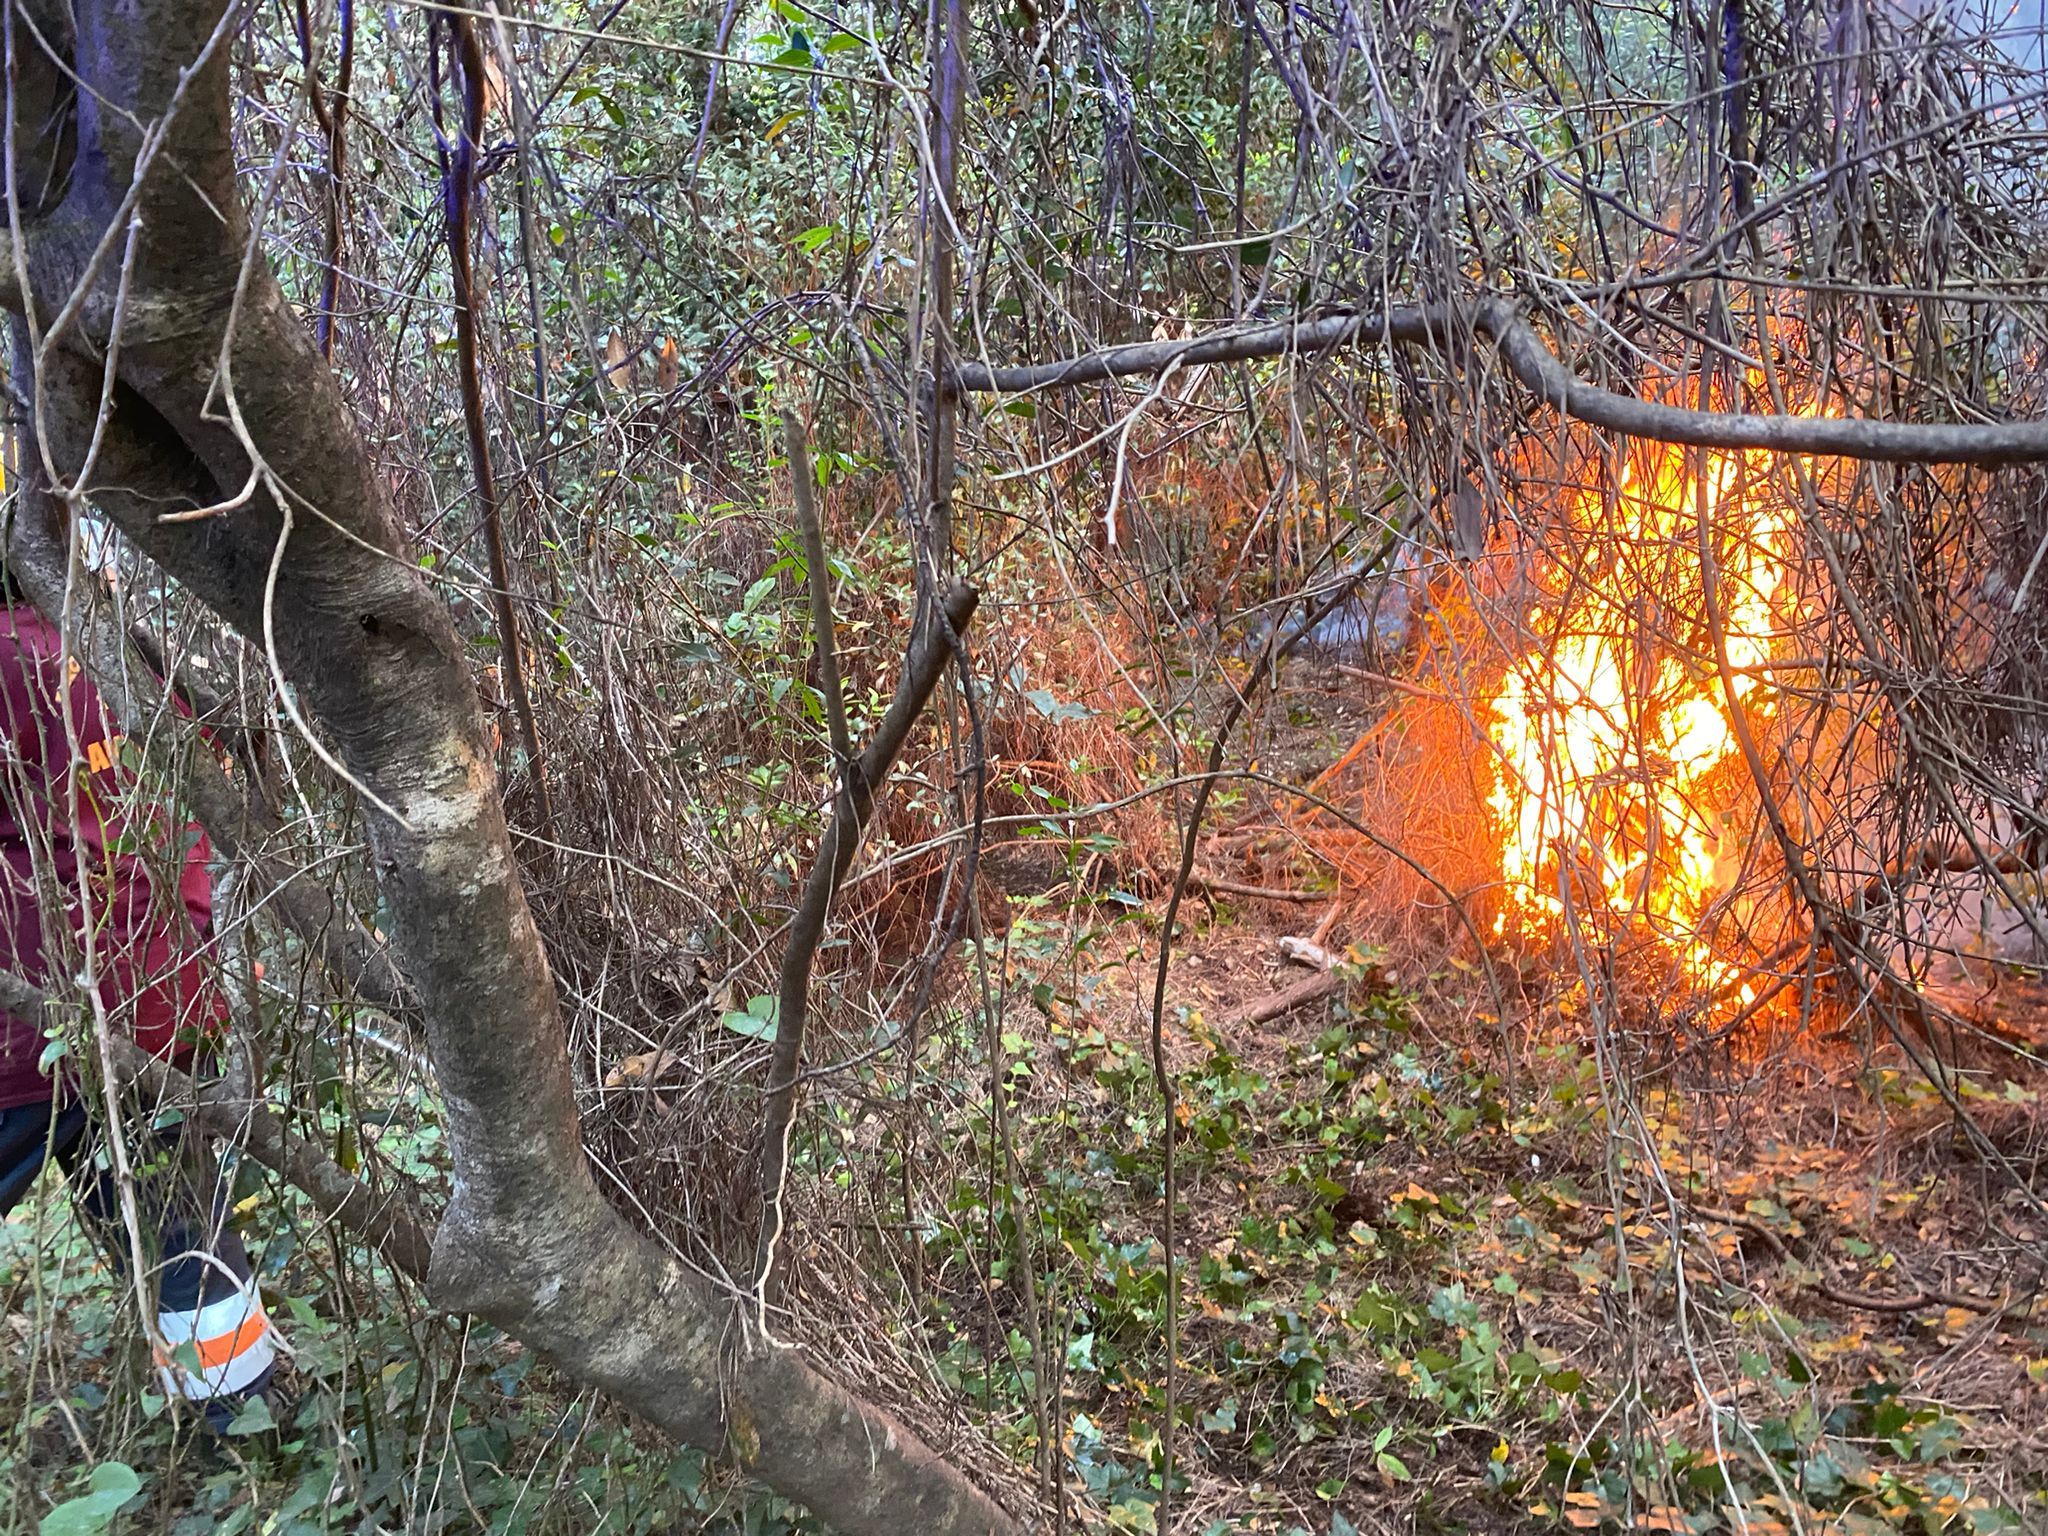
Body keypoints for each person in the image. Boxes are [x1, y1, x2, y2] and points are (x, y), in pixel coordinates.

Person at [0, 594, 284, 1433]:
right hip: (164, 1006)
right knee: (185, 1241)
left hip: (36, 1031)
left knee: (178, 1228)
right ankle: (251, 1434)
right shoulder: (119, 644)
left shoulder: (15, 657)